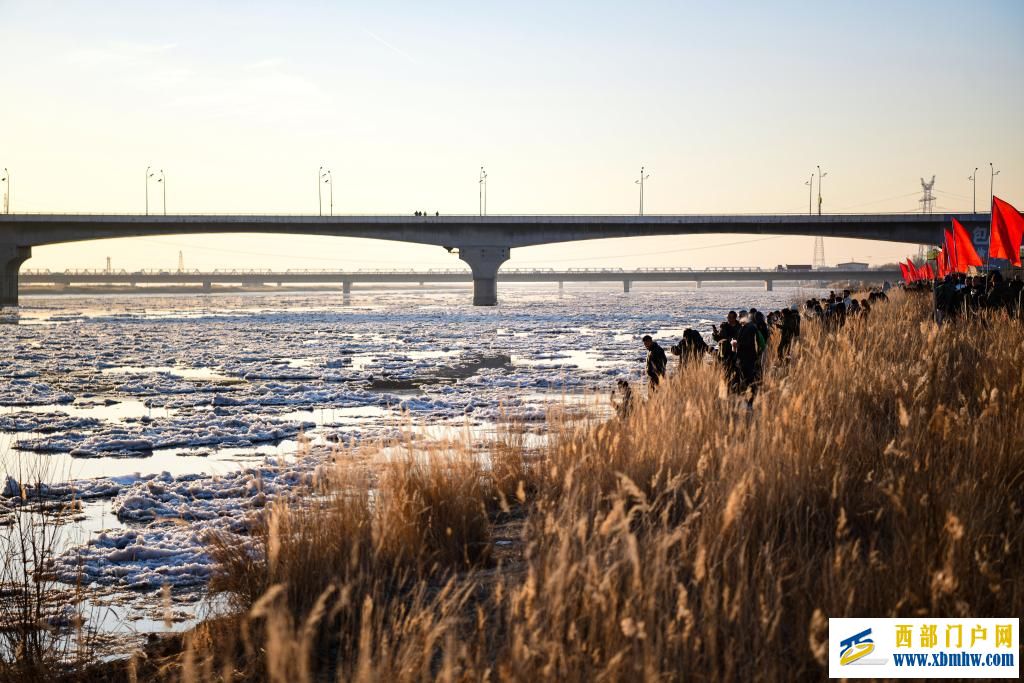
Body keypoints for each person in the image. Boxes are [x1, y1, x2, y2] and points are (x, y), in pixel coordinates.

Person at [734, 312, 766, 406]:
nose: (739, 318)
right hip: (749, 359)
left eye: (740, 317)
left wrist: (738, 345)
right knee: (749, 379)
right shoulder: (751, 328)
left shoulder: (748, 329)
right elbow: (762, 345)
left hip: (746, 359)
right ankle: (750, 400)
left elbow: (753, 344)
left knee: (747, 380)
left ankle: (749, 401)